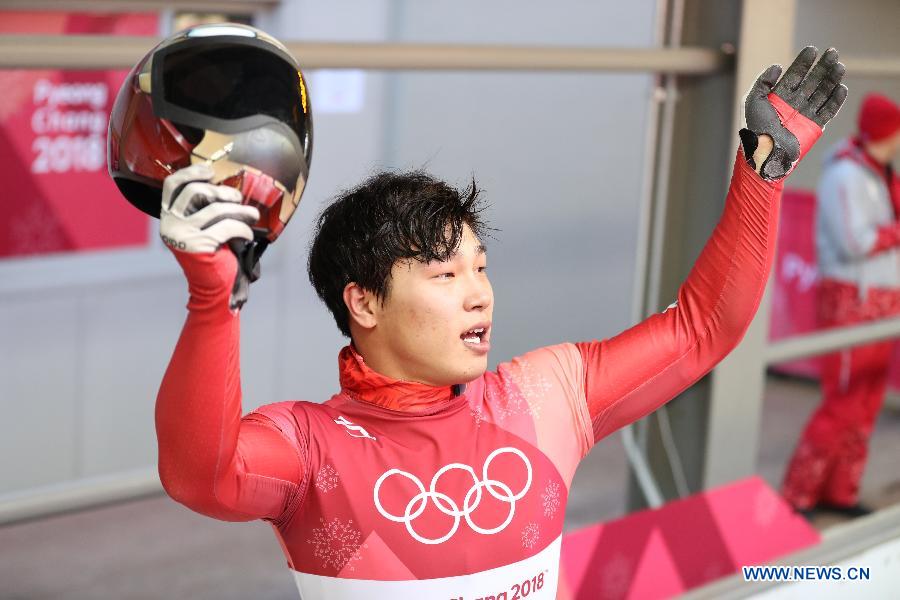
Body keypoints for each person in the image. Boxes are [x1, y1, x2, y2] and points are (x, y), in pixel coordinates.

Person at [155, 48, 845, 597]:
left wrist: (762, 172)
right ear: (363, 302)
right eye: (445, 275)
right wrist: (212, 303)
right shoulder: (312, 448)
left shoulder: (545, 396)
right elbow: (201, 477)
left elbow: (702, 329)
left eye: (480, 268)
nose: (479, 295)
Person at [781, 93, 900, 518]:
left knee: (866, 405)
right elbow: (855, 242)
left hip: (882, 301)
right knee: (843, 403)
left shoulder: (880, 174)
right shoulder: (845, 175)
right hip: (851, 301)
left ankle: (840, 492)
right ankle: (797, 494)